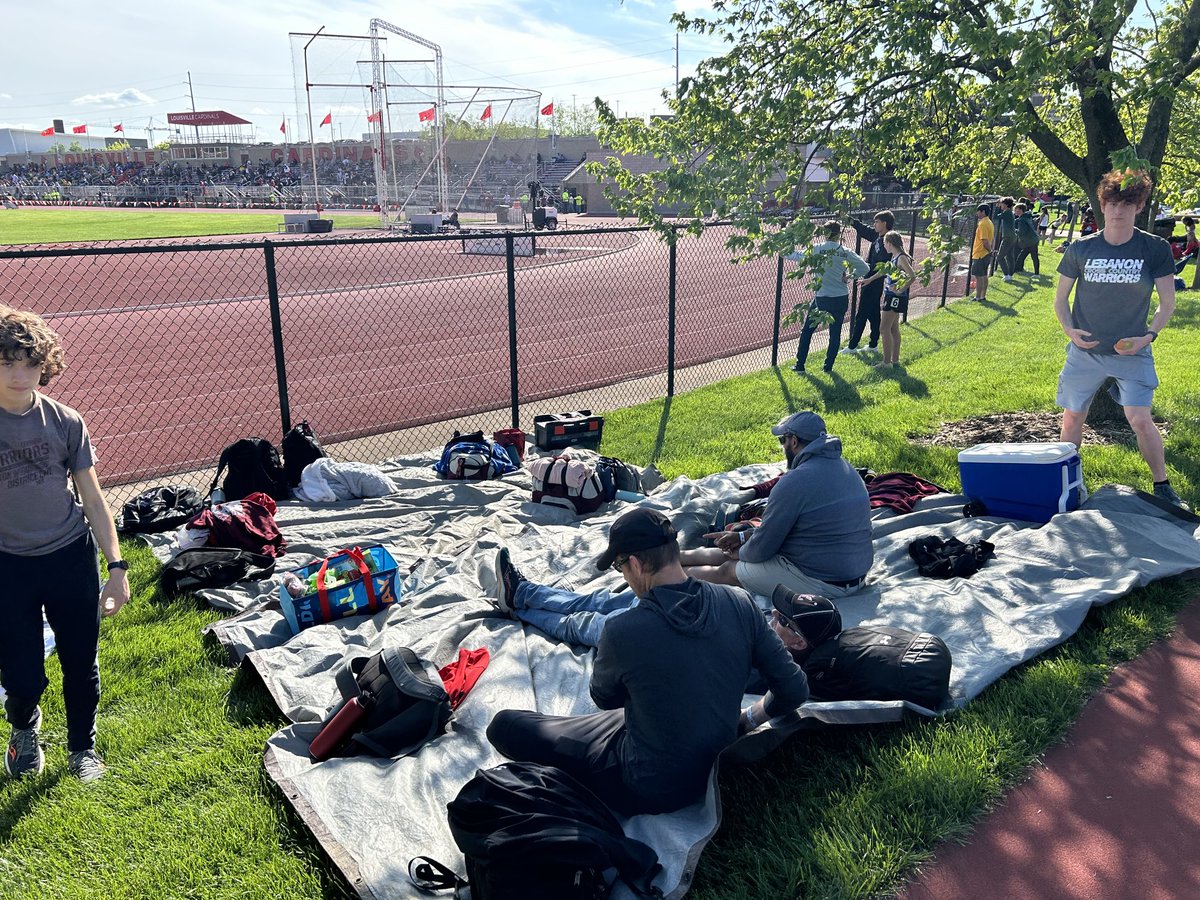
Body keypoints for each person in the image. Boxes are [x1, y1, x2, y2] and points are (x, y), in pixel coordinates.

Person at [487, 508, 810, 816]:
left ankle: (518, 607)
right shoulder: (738, 602)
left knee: (506, 725)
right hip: (714, 757)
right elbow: (793, 689)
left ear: (636, 564)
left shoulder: (623, 630)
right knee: (602, 721)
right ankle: (520, 602)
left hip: (648, 784)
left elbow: (605, 699)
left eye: (620, 568)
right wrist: (745, 720)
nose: (624, 577)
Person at [0, 307, 130, 783]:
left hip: (69, 554)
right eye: (6, 362)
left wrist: (117, 568)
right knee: (21, 672)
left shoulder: (65, 421)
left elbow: (93, 500)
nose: (19, 374)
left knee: (81, 659)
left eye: (29, 362)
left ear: (44, 365)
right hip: (9, 564)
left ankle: (83, 748)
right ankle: (24, 730)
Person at [1054, 168, 1185, 508]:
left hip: (1133, 351)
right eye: (1112, 202)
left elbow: (1167, 303)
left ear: (1139, 206)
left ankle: (1163, 486)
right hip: (1085, 351)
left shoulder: (1154, 248)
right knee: (1072, 417)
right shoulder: (1081, 248)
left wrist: (1149, 336)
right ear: (1102, 204)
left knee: (1140, 418)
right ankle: (1066, 484)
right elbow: (1060, 300)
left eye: (1127, 203)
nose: (1118, 210)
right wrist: (1070, 331)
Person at [677, 411, 873, 598]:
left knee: (728, 569)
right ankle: (669, 558)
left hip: (824, 581)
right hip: (848, 572)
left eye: (782, 440)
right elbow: (800, 531)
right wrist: (744, 537)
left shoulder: (795, 481)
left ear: (794, 441)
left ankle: (662, 577)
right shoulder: (847, 469)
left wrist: (742, 551)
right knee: (730, 553)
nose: (782, 446)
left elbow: (761, 550)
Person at [788, 221, 870, 373]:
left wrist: (784, 244)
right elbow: (865, 268)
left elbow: (794, 255)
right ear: (839, 234)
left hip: (822, 297)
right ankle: (828, 367)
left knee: (807, 331)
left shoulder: (817, 248)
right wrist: (850, 276)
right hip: (840, 297)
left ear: (825, 233)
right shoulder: (845, 250)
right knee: (835, 333)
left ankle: (800, 365)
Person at [843, 210, 895, 355]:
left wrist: (870, 278)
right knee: (873, 314)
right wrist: (847, 218)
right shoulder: (876, 236)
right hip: (869, 279)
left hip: (874, 281)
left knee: (862, 313)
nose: (874, 224)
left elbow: (883, 266)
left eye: (877, 222)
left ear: (884, 223)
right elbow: (862, 229)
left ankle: (852, 346)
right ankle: (873, 344)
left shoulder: (888, 241)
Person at [876, 231, 916, 369]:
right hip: (893, 296)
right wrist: (869, 279)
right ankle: (895, 360)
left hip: (894, 297)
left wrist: (900, 289)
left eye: (884, 243)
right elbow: (885, 272)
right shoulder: (895, 257)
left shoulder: (901, 258)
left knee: (884, 328)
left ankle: (886, 363)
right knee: (893, 329)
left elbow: (912, 276)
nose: (884, 246)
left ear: (890, 243)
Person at [970, 203, 995, 301]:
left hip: (980, 253)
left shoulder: (983, 224)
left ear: (983, 212)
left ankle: (978, 297)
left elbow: (985, 240)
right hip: (985, 254)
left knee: (979, 277)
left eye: (978, 211)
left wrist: (990, 250)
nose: (977, 213)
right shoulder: (989, 222)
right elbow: (992, 238)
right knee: (984, 275)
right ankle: (983, 295)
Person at [992, 197, 1017, 283]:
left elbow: (995, 217)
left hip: (1008, 238)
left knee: (999, 257)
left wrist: (997, 206)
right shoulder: (1008, 212)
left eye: (1002, 203)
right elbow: (998, 216)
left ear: (1006, 204)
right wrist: (999, 206)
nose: (1001, 205)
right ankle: (1010, 275)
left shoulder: (1007, 213)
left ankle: (1007, 275)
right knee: (1009, 257)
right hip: (1012, 237)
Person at [1013, 202, 1041, 276]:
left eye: (1015, 209)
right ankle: (1037, 273)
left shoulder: (1022, 220)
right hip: (1033, 240)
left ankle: (1014, 271)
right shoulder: (1027, 217)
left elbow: (1021, 232)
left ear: (1020, 210)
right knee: (1034, 257)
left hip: (1029, 241)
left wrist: (1014, 230)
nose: (1014, 211)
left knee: (1021, 257)